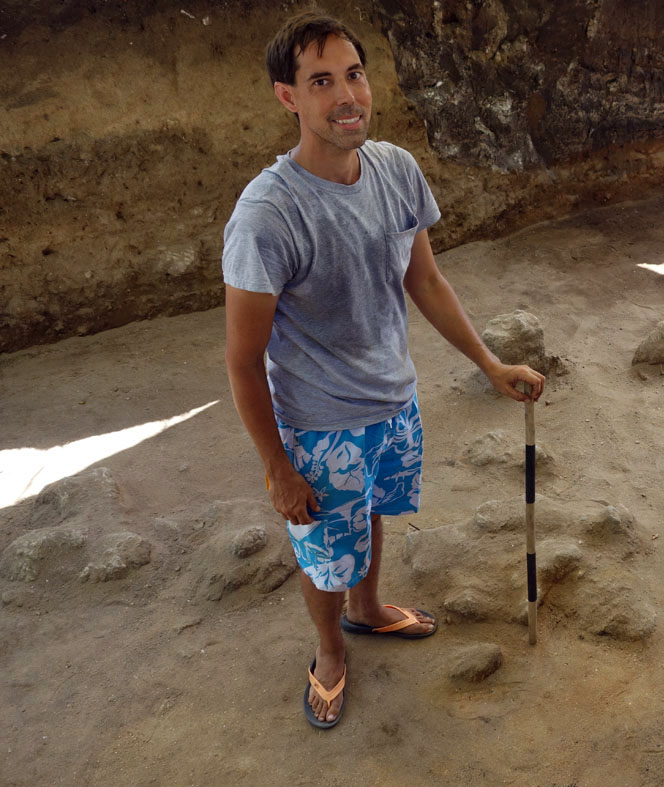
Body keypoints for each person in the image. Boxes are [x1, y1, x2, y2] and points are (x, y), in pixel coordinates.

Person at [222, 11, 544, 729]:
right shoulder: (268, 215)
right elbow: (243, 360)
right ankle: (329, 649)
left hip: (393, 401)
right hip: (318, 423)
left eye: (355, 75)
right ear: (288, 97)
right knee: (323, 554)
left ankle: (367, 611)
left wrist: (488, 362)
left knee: (368, 515)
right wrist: (277, 464)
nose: (347, 97)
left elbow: (423, 281)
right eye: (322, 81)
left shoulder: (396, 169)